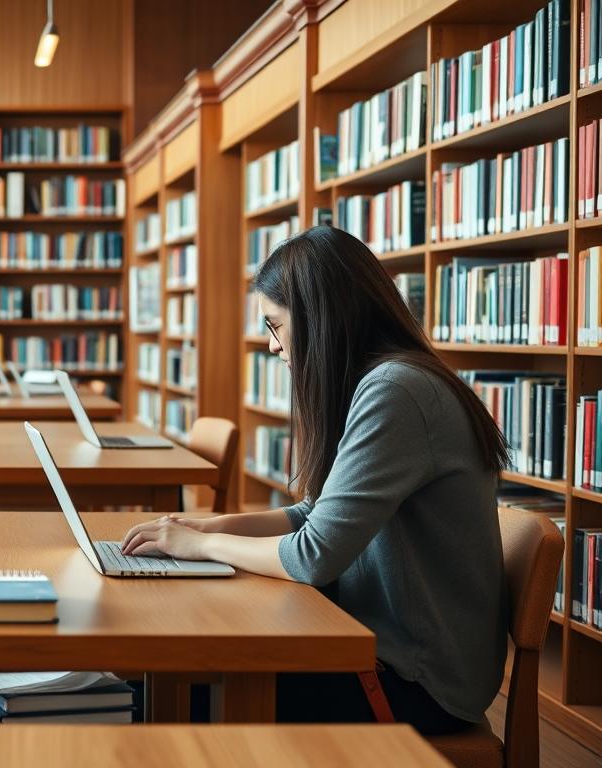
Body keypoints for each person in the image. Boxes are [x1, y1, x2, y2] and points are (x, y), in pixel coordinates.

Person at [120, 226, 507, 735]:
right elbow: (313, 516)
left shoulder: (396, 392)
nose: (271, 343)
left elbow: (312, 555)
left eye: (275, 324)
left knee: (166, 696)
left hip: (416, 682)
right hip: (375, 647)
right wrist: (208, 528)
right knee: (160, 683)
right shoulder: (384, 381)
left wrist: (199, 547)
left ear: (319, 317)